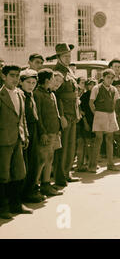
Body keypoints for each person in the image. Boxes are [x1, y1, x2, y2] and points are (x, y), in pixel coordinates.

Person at [0, 65, 32, 218]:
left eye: (17, 76)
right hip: (3, 141)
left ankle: (16, 204)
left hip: (17, 139)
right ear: (3, 76)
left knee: (19, 173)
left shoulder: (20, 94)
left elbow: (22, 118)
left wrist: (24, 135)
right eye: (12, 75)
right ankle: (3, 207)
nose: (15, 79)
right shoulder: (1, 95)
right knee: (3, 175)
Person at [48, 43, 80, 185]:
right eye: (65, 56)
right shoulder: (57, 72)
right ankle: (60, 177)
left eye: (69, 56)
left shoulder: (69, 71)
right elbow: (56, 97)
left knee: (71, 145)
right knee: (63, 147)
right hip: (65, 114)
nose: (68, 58)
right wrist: (62, 116)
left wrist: (77, 112)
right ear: (59, 57)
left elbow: (75, 94)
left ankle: (67, 172)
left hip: (73, 112)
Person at [34, 69, 63, 197]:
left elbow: (55, 113)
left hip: (54, 131)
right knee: (42, 159)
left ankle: (46, 184)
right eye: (52, 79)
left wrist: (58, 130)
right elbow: (38, 116)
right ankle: (35, 185)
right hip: (46, 133)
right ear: (46, 80)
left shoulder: (51, 94)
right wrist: (43, 132)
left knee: (49, 158)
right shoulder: (38, 94)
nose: (54, 82)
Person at [19, 69, 46, 203]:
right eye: (28, 82)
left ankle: (31, 190)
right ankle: (25, 193)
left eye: (34, 83)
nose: (31, 85)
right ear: (21, 82)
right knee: (26, 163)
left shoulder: (31, 95)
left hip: (33, 129)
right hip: (25, 130)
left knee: (35, 162)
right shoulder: (21, 96)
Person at [89, 69, 120, 172]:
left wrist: (111, 113)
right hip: (100, 115)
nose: (110, 80)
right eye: (108, 77)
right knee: (98, 140)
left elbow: (115, 103)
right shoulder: (96, 88)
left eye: (112, 78)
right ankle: (92, 165)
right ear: (103, 77)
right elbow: (91, 103)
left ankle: (110, 164)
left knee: (110, 140)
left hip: (111, 115)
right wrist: (96, 114)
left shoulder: (114, 90)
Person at [76, 78, 97, 172]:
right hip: (86, 122)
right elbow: (82, 112)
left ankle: (91, 163)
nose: (91, 87)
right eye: (89, 84)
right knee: (85, 143)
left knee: (93, 143)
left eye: (93, 84)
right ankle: (81, 164)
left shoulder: (97, 95)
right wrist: (85, 123)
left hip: (94, 121)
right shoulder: (84, 96)